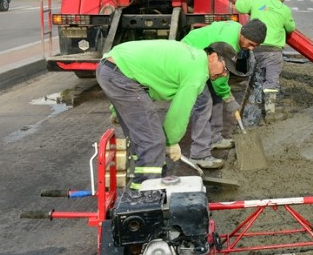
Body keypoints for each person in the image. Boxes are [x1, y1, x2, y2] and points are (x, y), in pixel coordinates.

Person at [96, 40, 242, 190]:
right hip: (120, 75)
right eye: (224, 68)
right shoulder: (197, 73)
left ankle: (158, 181)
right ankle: (143, 197)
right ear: (213, 57)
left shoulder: (195, 57)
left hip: (112, 69)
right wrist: (171, 142)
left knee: (143, 139)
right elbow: (179, 112)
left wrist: (117, 109)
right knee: (153, 141)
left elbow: (148, 73)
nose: (223, 74)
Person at [181, 20, 267, 164]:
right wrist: (229, 99)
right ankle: (199, 154)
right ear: (243, 35)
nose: (251, 49)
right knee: (204, 104)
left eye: (255, 46)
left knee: (216, 97)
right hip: (189, 57)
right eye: (251, 44)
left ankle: (215, 138)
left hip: (204, 56)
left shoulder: (239, 29)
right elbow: (221, 78)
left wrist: (224, 96)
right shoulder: (227, 44)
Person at [235, 0, 295, 119]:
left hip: (255, 47)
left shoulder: (257, 1)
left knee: (258, 77)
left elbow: (239, 6)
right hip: (273, 50)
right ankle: (269, 112)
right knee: (271, 81)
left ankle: (252, 108)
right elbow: (290, 28)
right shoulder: (284, 9)